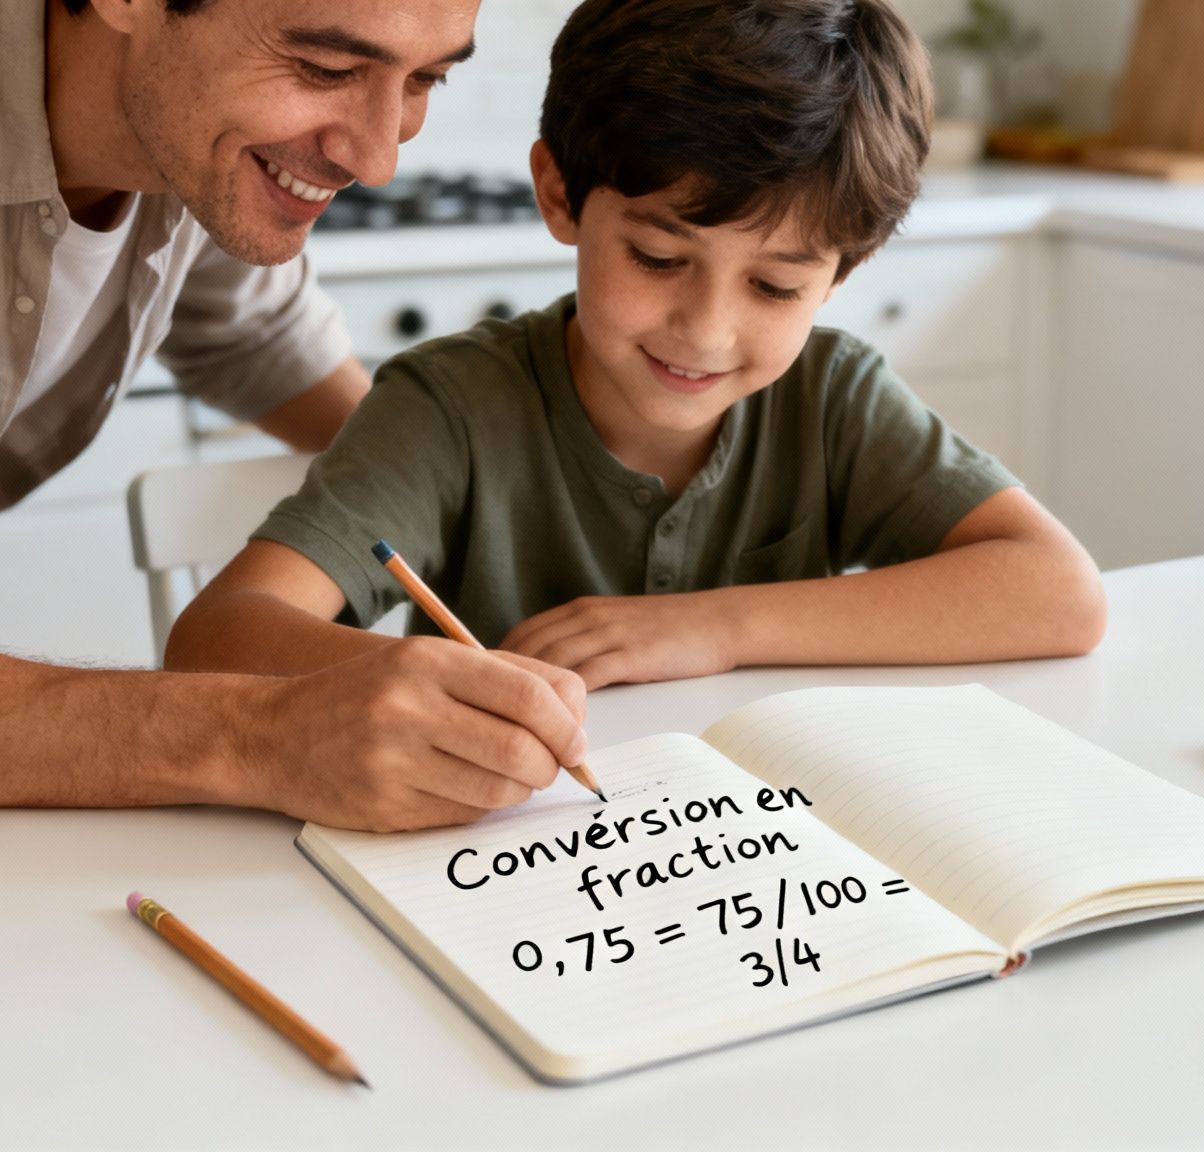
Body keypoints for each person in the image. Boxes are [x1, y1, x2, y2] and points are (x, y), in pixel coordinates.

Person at [0, 0, 591, 833]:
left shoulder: (191, 132)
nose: (380, 160)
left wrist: (471, 501)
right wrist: (263, 734)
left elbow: (258, 339)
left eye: (425, 79)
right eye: (325, 67)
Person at [166, 0, 1106, 702]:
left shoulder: (834, 396)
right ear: (560, 195)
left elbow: (1059, 592)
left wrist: (716, 627)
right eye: (658, 258)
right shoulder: (451, 408)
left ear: (842, 272)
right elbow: (217, 639)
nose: (705, 330)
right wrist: (441, 685)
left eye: (776, 287)